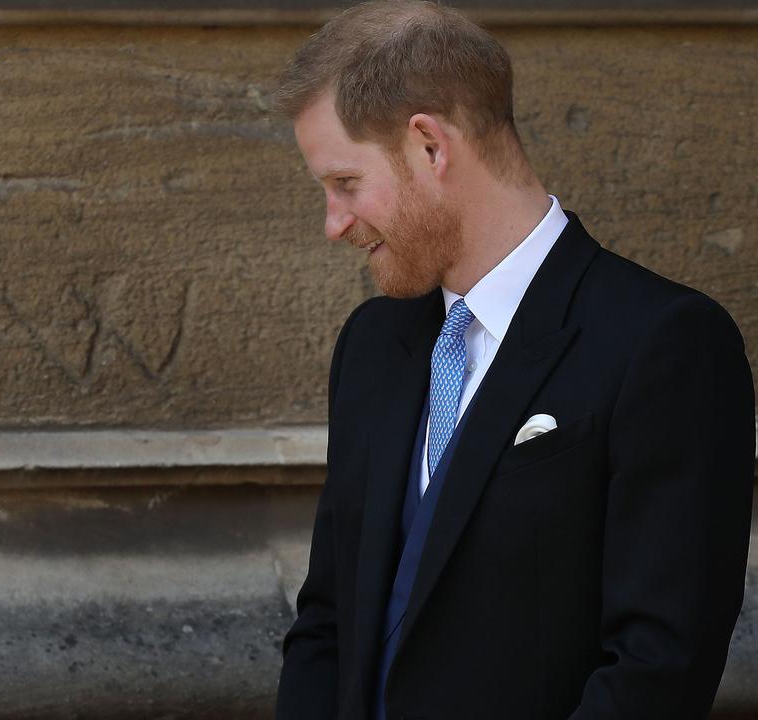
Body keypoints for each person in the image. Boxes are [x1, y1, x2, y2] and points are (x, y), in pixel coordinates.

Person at [272, 2, 754, 719]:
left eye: (345, 184)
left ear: (430, 146)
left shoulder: (666, 343)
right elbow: (328, 621)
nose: (334, 223)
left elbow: (658, 667)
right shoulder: (374, 345)